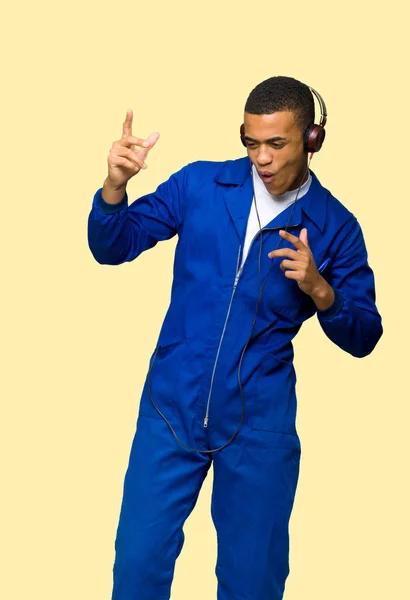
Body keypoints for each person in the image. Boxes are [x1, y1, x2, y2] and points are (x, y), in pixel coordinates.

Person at [87, 76, 383, 600]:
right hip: (170, 408)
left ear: (312, 140)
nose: (261, 158)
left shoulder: (336, 226)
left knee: (252, 583)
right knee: (136, 566)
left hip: (258, 426)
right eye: (251, 142)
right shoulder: (200, 185)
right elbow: (113, 246)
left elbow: (364, 334)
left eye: (276, 143)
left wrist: (320, 288)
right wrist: (115, 188)